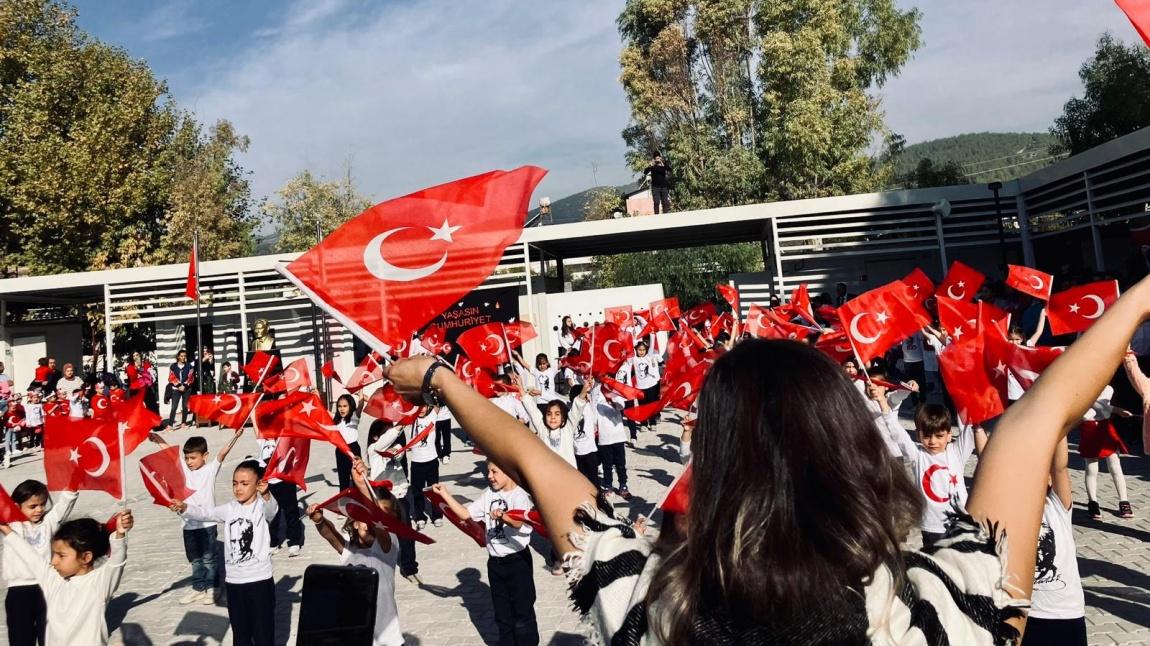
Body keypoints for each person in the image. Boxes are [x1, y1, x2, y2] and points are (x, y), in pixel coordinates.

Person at [384, 274, 1150, 645]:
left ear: (711, 464)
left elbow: (530, 457)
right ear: (851, 449)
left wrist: (444, 381)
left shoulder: (652, 605)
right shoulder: (933, 608)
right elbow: (1036, 417)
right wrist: (1142, 297)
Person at [171, 460, 278, 646]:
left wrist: (266, 493)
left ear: (258, 484)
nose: (238, 488)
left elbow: (272, 510)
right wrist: (184, 508)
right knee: (241, 634)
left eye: (245, 484)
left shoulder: (261, 507)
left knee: (263, 634)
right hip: (234, 583)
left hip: (260, 582)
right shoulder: (229, 509)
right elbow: (205, 513)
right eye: (235, 483)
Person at [431, 462, 538, 646]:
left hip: (518, 562)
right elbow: (465, 514)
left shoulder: (520, 496)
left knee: (523, 615)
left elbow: (518, 523)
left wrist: (503, 516)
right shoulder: (489, 495)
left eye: (494, 471)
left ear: (509, 473)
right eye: (488, 471)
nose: (489, 475)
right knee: (502, 616)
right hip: (495, 564)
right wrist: (445, 494)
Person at [307, 459, 404, 646]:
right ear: (355, 521)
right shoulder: (349, 552)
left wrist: (361, 484)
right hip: (355, 634)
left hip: (386, 639)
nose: (370, 523)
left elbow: (378, 522)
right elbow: (331, 535)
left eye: (381, 517)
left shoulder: (387, 547)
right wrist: (319, 520)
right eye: (364, 518)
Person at [0, 512, 133, 646]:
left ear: (86, 557)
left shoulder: (99, 583)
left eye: (61, 555)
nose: (54, 561)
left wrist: (120, 534)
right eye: (54, 554)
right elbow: (32, 558)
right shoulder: (53, 580)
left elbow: (116, 562)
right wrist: (7, 530)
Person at [151, 430, 244, 603]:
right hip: (188, 524)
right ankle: (198, 587)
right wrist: (158, 439)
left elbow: (223, 453)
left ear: (205, 456)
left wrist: (235, 437)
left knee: (209, 559)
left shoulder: (210, 470)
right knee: (195, 559)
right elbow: (171, 454)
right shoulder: (185, 471)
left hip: (207, 523)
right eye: (187, 458)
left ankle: (213, 588)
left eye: (193, 458)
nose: (189, 462)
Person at [1022, 438, 1086, 646]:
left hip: (1066, 612)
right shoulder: (1013, 511)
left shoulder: (1057, 506)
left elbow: (1060, 466)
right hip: (1027, 614)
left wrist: (1059, 426)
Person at [3, 480, 78, 645]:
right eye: (33, 506)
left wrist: (73, 485)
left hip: (48, 588)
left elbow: (63, 507)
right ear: (17, 506)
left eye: (42, 504)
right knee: (21, 638)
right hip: (19, 591)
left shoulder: (48, 523)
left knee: (50, 636)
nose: (39, 510)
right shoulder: (12, 525)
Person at [903, 404, 986, 548]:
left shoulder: (956, 452)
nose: (933, 441)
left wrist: (967, 402)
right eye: (927, 436)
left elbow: (969, 427)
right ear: (918, 435)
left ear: (949, 435)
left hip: (960, 524)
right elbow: (897, 433)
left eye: (939, 436)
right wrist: (885, 407)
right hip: (932, 527)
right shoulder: (917, 455)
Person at [366, 420, 422, 584]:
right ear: (376, 436)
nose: (391, 438)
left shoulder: (396, 448)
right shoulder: (373, 450)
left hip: (400, 498)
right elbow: (382, 443)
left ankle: (410, 568)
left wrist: (396, 449)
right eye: (386, 433)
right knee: (378, 535)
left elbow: (398, 451)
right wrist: (398, 427)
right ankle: (375, 566)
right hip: (382, 500)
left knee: (407, 535)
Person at [1077, 385, 1134, 519]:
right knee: (1092, 468)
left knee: (1115, 465)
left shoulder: (1108, 388)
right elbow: (1089, 408)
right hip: (1090, 429)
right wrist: (1117, 410)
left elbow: (1101, 405)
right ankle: (1093, 502)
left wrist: (1117, 410)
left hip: (1105, 428)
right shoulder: (1080, 387)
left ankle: (1124, 501)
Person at [257, 437, 305, 558]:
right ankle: (273, 542)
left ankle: (294, 542)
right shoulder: (262, 440)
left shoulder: (284, 437)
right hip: (270, 482)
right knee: (271, 514)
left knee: (291, 511)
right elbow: (255, 424)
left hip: (285, 479)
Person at [584, 382, 632, 500]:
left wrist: (612, 400)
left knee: (620, 464)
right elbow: (593, 411)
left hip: (618, 436)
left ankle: (623, 485)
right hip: (604, 437)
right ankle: (608, 485)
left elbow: (621, 406)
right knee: (607, 465)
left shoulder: (615, 390)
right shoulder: (595, 393)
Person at [406, 408, 442, 529]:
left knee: (434, 490)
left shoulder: (432, 416)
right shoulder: (411, 420)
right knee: (417, 492)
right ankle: (420, 516)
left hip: (432, 460)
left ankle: (437, 515)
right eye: (418, 407)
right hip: (417, 462)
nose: (421, 409)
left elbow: (438, 401)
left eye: (424, 406)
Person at [332, 394, 364, 490]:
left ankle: (360, 501)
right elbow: (321, 410)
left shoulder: (354, 417)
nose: (342, 409)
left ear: (351, 406)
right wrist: (316, 395)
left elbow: (361, 404)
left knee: (357, 479)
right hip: (340, 450)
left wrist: (361, 389)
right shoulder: (335, 418)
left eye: (345, 406)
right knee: (343, 480)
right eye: (339, 406)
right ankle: (344, 502)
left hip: (353, 449)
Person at [630, 341, 661, 429]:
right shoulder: (634, 359)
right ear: (636, 350)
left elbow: (651, 345)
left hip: (651, 386)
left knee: (651, 405)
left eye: (643, 350)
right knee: (642, 406)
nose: (642, 352)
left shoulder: (648, 357)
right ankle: (643, 423)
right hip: (640, 388)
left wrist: (652, 334)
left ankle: (652, 422)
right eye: (639, 350)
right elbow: (630, 348)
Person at [167, 349, 195, 429]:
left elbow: (191, 377)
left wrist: (185, 386)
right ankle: (170, 424)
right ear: (178, 357)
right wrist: (179, 385)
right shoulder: (173, 366)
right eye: (181, 356)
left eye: (184, 356)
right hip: (176, 389)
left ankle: (183, 423)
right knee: (174, 407)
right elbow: (171, 377)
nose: (183, 358)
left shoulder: (189, 366)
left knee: (185, 406)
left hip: (187, 389)